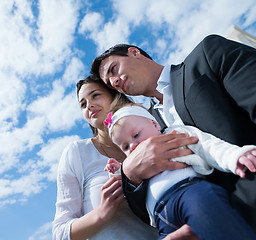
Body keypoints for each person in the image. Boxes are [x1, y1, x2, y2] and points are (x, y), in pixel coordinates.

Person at [90, 34, 256, 229]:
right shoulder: (143, 129)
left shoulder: (207, 56)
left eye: (113, 70)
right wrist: (130, 174)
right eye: (110, 83)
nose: (115, 82)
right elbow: (148, 209)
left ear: (134, 53)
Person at [53, 76, 201, 240]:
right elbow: (60, 234)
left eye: (95, 95)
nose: (89, 105)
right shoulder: (78, 152)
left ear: (115, 95)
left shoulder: (154, 135)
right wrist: (102, 212)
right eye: (83, 104)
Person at [103, 96, 256, 239]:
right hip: (161, 216)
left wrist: (235, 156)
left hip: (189, 192)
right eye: (125, 147)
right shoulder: (134, 164)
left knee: (213, 216)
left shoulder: (174, 134)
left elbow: (207, 145)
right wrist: (118, 170)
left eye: (136, 135)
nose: (133, 146)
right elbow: (127, 184)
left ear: (155, 124)